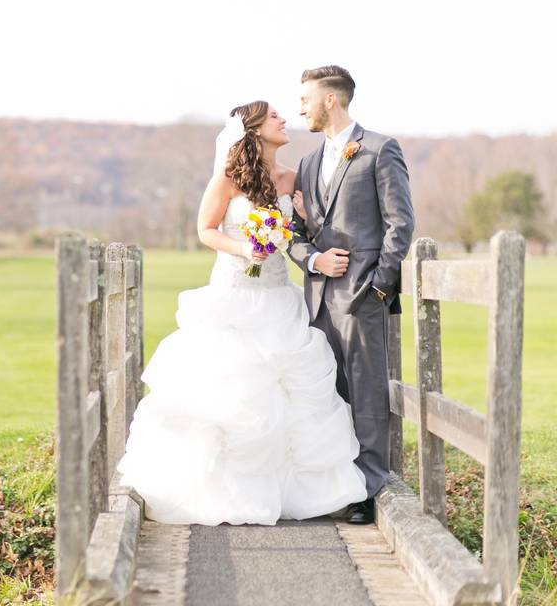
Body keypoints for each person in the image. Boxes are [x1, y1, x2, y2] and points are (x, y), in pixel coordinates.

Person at [115, 100, 367, 526]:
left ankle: (297, 493)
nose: (284, 120)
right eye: (274, 117)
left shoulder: (291, 178)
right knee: (234, 390)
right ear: (252, 129)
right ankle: (226, 490)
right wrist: (245, 247)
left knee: (291, 390)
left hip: (277, 297)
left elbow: (298, 237)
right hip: (233, 294)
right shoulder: (228, 178)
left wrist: (304, 220)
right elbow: (206, 230)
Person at [288, 65, 414, 524]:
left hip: (363, 296)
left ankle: (368, 488)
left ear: (331, 100)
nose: (299, 107)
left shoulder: (380, 150)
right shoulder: (306, 163)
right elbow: (296, 232)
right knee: (328, 395)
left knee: (366, 393)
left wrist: (380, 286)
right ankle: (332, 485)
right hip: (317, 298)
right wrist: (312, 260)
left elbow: (400, 224)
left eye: (305, 99)